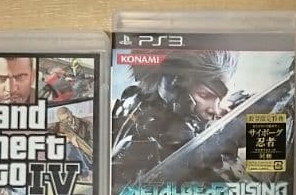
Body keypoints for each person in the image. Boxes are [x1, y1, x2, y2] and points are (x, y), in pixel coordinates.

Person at [111, 50, 239, 181]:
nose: (214, 110)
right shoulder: (129, 112)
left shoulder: (200, 134)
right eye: (204, 94)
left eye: (218, 101)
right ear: (172, 83)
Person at [49, 106, 93, 179]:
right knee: (69, 147)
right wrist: (65, 138)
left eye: (68, 117)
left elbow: (91, 141)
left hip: (88, 153)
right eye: (63, 120)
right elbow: (49, 133)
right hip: (74, 154)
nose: (67, 121)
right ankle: (85, 174)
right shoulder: (58, 126)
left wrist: (78, 144)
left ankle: (87, 172)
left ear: (71, 113)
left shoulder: (86, 124)